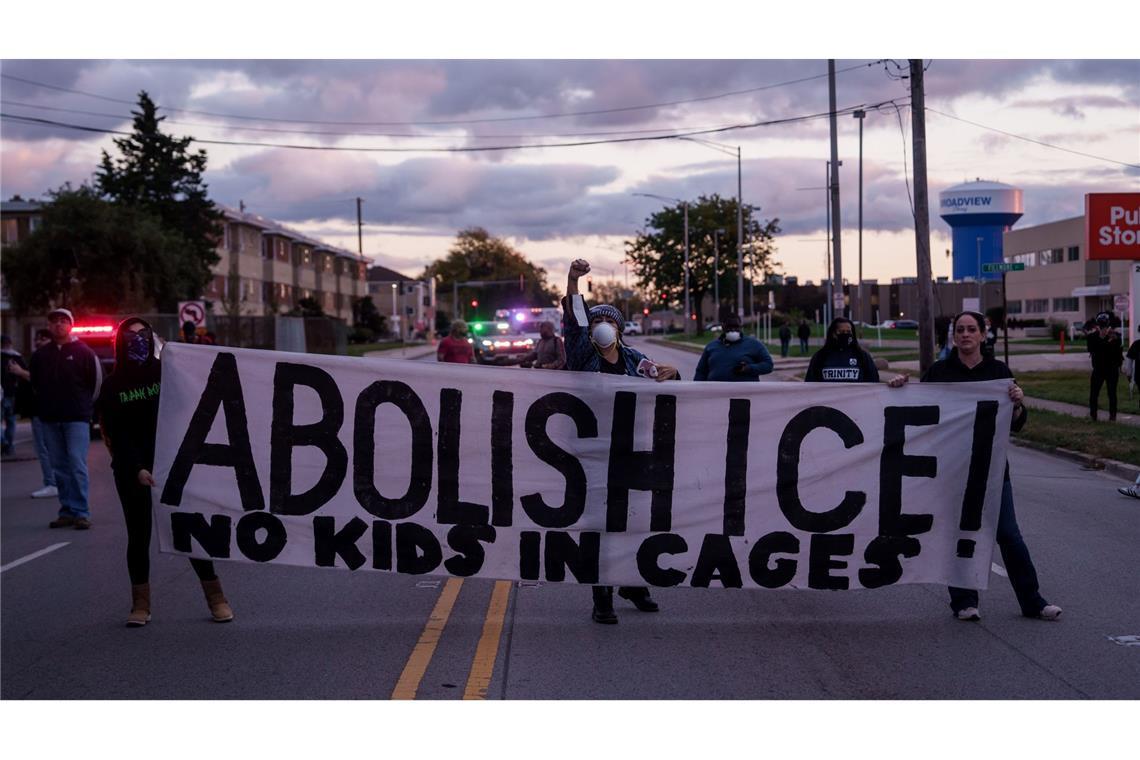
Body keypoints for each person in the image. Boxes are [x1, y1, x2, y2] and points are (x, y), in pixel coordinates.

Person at [897, 310, 1062, 622]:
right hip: (953, 470)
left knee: (1009, 536)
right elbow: (916, 410)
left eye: (972, 329)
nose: (965, 335)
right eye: (960, 329)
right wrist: (899, 388)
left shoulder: (998, 372)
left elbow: (1017, 424)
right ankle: (963, 601)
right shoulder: (940, 372)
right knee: (960, 535)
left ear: (984, 335)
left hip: (993, 471)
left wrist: (1016, 404)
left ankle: (1033, 601)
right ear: (954, 336)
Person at [563, 258, 679, 625]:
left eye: (608, 320)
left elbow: (667, 388)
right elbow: (574, 321)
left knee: (631, 521)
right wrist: (572, 281)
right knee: (600, 524)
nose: (601, 326)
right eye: (596, 321)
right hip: (594, 453)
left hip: (631, 449)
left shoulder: (634, 359)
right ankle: (602, 595)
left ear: (619, 328)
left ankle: (633, 583)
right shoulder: (582, 356)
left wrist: (673, 374)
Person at [97, 317, 234, 626]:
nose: (138, 341)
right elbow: (117, 434)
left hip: (173, 465)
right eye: (130, 337)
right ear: (120, 343)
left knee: (189, 529)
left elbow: (188, 411)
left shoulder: (167, 373)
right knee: (138, 534)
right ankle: (141, 605)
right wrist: (138, 469)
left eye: (143, 335)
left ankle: (217, 598)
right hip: (133, 470)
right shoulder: (113, 385)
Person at [28, 308, 102, 529]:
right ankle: (67, 510)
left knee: (76, 463)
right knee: (59, 466)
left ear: (70, 325)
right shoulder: (41, 356)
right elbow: (35, 384)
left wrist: (86, 408)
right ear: (49, 326)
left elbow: (96, 384)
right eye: (54, 321)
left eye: (63, 321)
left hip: (76, 419)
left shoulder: (84, 352)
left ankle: (82, 512)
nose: (58, 324)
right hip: (50, 419)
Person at [7, 329, 58, 495]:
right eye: (37, 338)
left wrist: (19, 372)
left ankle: (52, 483)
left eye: (43, 339)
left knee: (44, 448)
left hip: (43, 410)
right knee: (45, 447)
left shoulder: (49, 358)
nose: (38, 342)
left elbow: (39, 379)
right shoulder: (40, 357)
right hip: (39, 409)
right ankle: (55, 482)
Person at [694, 312, 774, 381]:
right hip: (715, 395)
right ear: (723, 327)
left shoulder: (754, 344)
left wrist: (748, 368)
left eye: (736, 327)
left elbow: (768, 365)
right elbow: (701, 372)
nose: (733, 330)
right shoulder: (711, 347)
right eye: (729, 327)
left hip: (745, 394)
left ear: (740, 327)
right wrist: (695, 390)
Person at [804, 317, 880, 384]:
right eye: (841, 332)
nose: (845, 334)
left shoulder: (862, 356)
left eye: (848, 332)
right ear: (833, 334)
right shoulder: (820, 357)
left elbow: (874, 382)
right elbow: (810, 384)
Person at [1086, 311, 1123, 421]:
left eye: (1105, 325)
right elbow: (1092, 349)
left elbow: (1117, 351)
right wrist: (1103, 339)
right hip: (1098, 369)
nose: (1103, 328)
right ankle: (1093, 415)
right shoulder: (1092, 337)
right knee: (1094, 393)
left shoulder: (1116, 336)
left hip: (1112, 369)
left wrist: (1112, 339)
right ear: (1097, 325)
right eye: (1101, 325)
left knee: (1112, 393)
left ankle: (1113, 415)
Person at [1, 334, 24, 455]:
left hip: (1, 394)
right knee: (11, 422)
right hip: (13, 393)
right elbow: (24, 374)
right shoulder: (17, 357)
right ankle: (9, 446)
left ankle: (3, 442)